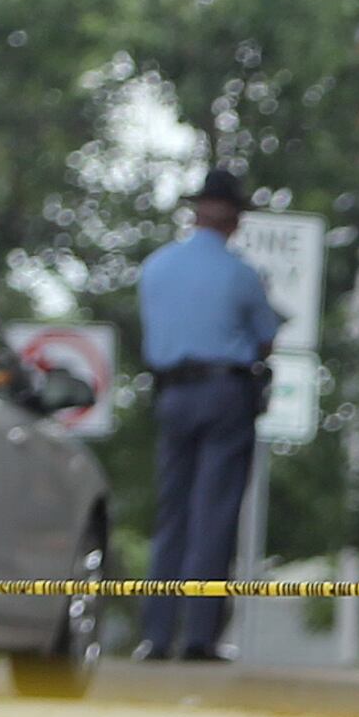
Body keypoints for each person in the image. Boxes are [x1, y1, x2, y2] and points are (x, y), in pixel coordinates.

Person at [133, 165, 278, 663]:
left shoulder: (155, 267)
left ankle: (155, 633)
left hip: (171, 393)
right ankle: (199, 634)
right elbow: (266, 334)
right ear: (235, 220)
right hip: (223, 392)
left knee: (171, 515)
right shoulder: (241, 274)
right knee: (213, 515)